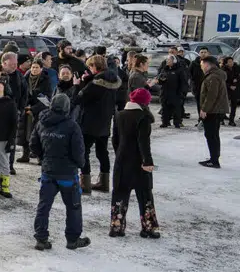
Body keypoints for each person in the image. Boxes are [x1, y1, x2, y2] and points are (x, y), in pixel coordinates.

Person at [30, 91, 89, 250]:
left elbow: (33, 144)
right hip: (67, 174)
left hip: (48, 172)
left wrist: (43, 159)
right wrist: (79, 164)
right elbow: (79, 151)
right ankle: (72, 239)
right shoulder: (72, 126)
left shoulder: (42, 122)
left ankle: (41, 238)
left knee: (44, 205)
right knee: (73, 207)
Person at [110, 88, 159, 238]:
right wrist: (147, 161)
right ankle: (149, 227)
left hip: (122, 160)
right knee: (145, 194)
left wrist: (120, 153)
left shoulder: (119, 115)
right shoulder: (143, 117)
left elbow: (115, 139)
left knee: (120, 193)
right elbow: (143, 142)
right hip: (139, 162)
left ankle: (116, 227)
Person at [75, 54, 123, 195]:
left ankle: (85, 183)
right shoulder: (113, 80)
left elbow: (80, 99)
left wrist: (79, 85)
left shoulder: (95, 84)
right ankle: (104, 182)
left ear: (95, 66)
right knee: (102, 152)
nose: (89, 69)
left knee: (84, 152)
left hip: (90, 122)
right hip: (105, 121)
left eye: (90, 66)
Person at [198, 56, 229, 168]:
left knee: (211, 135)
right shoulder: (215, 75)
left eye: (202, 64)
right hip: (215, 109)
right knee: (213, 134)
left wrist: (204, 109)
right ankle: (214, 157)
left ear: (207, 64)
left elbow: (211, 96)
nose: (201, 67)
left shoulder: (213, 77)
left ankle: (214, 160)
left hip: (213, 110)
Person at [156, 55, 189, 128]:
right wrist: (160, 80)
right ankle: (165, 122)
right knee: (164, 108)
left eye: (169, 60)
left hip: (175, 92)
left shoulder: (179, 70)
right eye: (167, 60)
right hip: (165, 92)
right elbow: (159, 79)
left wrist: (182, 92)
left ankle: (177, 122)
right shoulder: (164, 69)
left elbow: (183, 82)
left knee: (176, 108)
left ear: (174, 61)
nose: (167, 62)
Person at [190, 46, 211, 113]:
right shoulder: (194, 63)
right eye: (201, 52)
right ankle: (201, 120)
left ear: (208, 53)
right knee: (199, 104)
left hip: (210, 87)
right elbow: (189, 74)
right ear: (199, 53)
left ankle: (208, 121)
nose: (203, 54)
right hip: (198, 87)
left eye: (205, 52)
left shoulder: (212, 63)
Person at [224, 55, 240, 126]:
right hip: (226, 89)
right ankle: (221, 118)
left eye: (232, 61)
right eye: (229, 62)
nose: (231, 63)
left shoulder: (236, 68)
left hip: (234, 89)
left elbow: (238, 76)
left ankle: (231, 120)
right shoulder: (223, 70)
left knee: (234, 105)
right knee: (224, 105)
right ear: (226, 63)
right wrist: (229, 86)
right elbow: (223, 81)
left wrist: (236, 80)